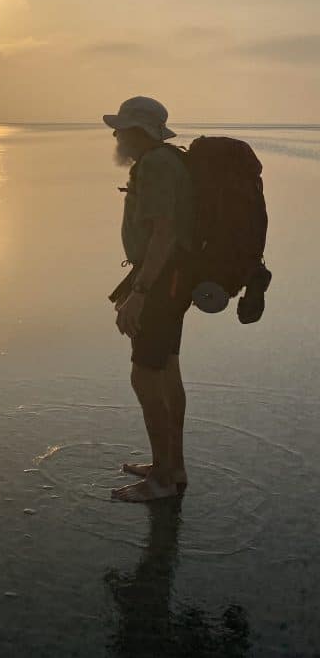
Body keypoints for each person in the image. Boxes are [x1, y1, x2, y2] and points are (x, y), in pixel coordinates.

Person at [103, 96, 196, 502]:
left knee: (145, 375)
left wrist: (139, 293)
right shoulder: (166, 160)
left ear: (137, 131)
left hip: (160, 280)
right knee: (166, 371)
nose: (116, 135)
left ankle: (161, 480)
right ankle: (171, 467)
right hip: (172, 278)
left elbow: (164, 233)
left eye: (121, 128)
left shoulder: (157, 165)